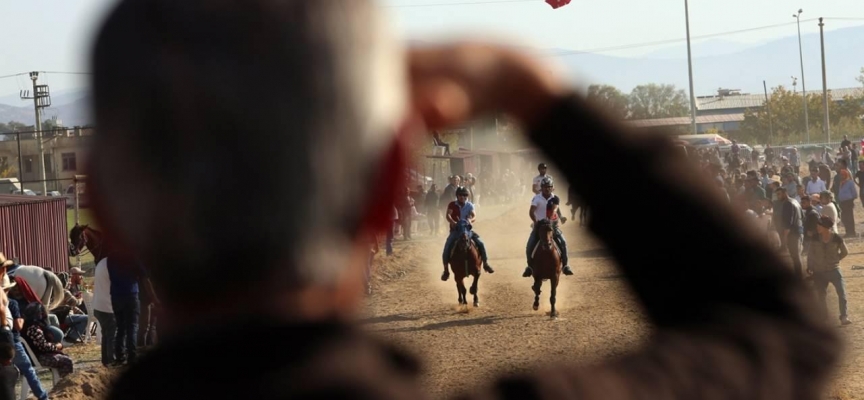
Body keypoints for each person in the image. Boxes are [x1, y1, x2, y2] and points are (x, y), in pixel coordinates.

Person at [88, 2, 838, 399]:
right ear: (387, 194)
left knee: (557, 249)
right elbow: (771, 326)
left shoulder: (538, 198)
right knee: (457, 251)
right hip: (462, 204)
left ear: (104, 210)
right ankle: (467, 275)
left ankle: (555, 274)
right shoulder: (451, 202)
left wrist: (524, 201)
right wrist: (532, 92)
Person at [441, 186, 494, 280]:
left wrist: (470, 220)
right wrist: (453, 222)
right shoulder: (452, 204)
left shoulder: (470, 205)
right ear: (457, 196)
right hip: (456, 231)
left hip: (467, 231)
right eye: (461, 195)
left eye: (465, 195)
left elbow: (474, 215)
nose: (463, 197)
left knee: (481, 243)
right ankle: (446, 270)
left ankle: (485, 263)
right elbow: (448, 215)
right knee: (447, 247)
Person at [807, 216, 852, 326]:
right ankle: (824, 318)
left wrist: (836, 259)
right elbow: (810, 253)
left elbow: (845, 252)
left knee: (842, 293)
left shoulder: (836, 238)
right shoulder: (815, 238)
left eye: (820, 225)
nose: (817, 227)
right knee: (821, 295)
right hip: (819, 272)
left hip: (834, 270)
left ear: (826, 227)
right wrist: (810, 266)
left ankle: (844, 316)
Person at [524, 177, 572, 277]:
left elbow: (555, 209)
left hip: (552, 226)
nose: (547, 189)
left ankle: (565, 266)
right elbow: (531, 211)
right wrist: (535, 221)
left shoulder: (555, 198)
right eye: (545, 187)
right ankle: (529, 267)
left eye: (549, 187)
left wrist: (550, 219)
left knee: (563, 242)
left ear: (552, 188)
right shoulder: (536, 198)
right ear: (541, 188)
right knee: (529, 245)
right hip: (539, 227)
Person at [21, 303, 73, 378]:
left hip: (35, 356)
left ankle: (59, 381)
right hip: (37, 358)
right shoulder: (33, 328)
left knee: (63, 357)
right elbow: (43, 346)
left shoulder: (27, 324)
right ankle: (64, 385)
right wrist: (57, 346)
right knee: (67, 361)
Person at [92, 258, 116, 367]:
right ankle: (111, 360)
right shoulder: (112, 264)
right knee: (111, 335)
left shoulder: (101, 263)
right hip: (108, 306)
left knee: (106, 334)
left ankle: (105, 360)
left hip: (98, 306)